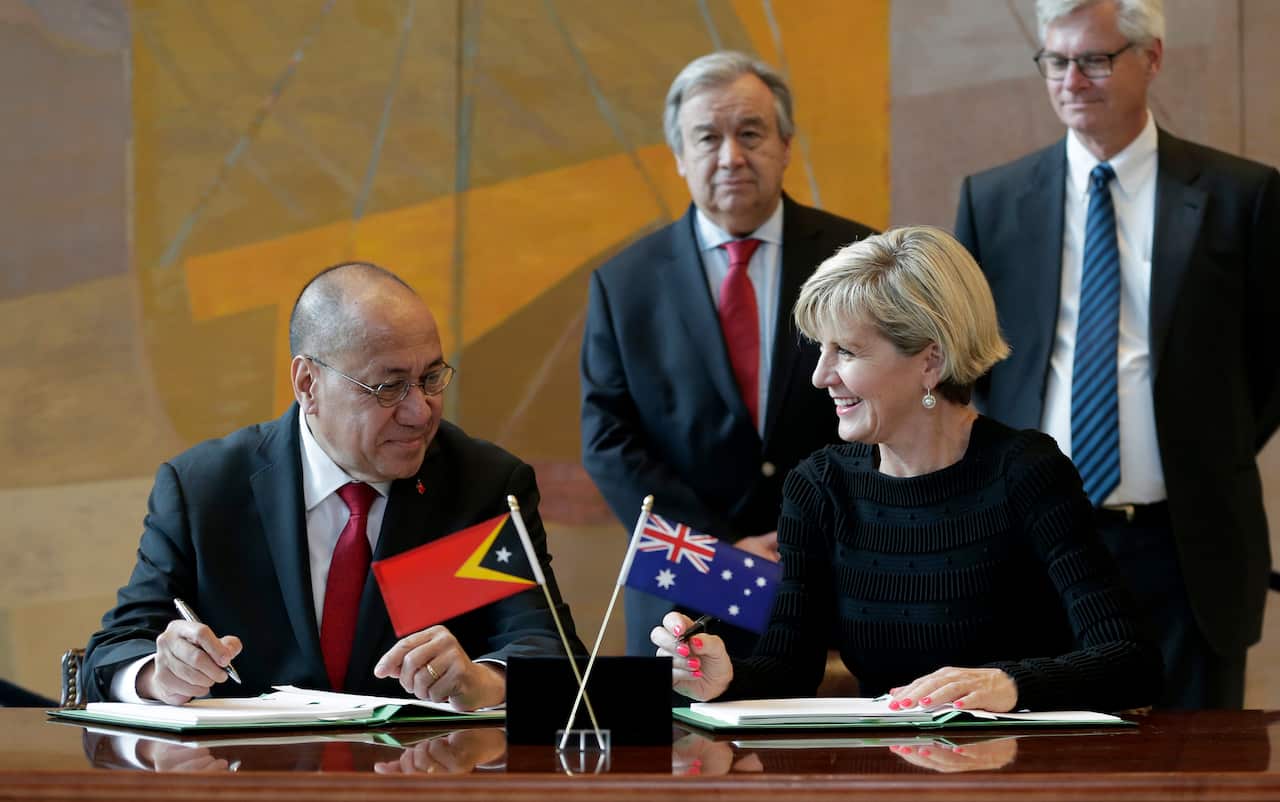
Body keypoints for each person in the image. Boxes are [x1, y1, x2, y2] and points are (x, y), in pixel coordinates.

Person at [653, 227, 1162, 713]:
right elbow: (789, 668)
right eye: (820, 349)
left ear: (930, 362)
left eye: (846, 351)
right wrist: (725, 679)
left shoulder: (1027, 472)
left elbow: (1131, 662)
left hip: (1013, 772)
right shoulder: (818, 487)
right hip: (882, 774)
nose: (820, 376)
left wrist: (1009, 683)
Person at [954, 0, 1279, 708]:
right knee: (1044, 766)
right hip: (1039, 547)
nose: (1072, 79)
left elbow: (1267, 367)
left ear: (1152, 58)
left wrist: (1195, 452)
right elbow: (969, 365)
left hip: (1186, 548)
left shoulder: (1239, 196)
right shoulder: (994, 200)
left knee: (1199, 771)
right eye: (1056, 61)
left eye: (1095, 59)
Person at [83, 262, 581, 710]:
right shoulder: (205, 489)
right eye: (388, 387)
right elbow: (113, 653)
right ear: (308, 385)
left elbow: (551, 651)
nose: (420, 411)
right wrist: (158, 674)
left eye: (431, 379)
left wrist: (486, 681)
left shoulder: (483, 485)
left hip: (418, 775)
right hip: (249, 779)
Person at [580, 51, 876, 657]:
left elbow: (891, 412)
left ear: (787, 144)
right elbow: (609, 441)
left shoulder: (860, 258)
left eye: (750, 134)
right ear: (681, 158)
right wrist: (720, 550)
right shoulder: (625, 283)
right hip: (681, 580)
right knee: (684, 746)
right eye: (708, 138)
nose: (731, 157)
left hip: (829, 573)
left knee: (828, 747)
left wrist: (799, 536)